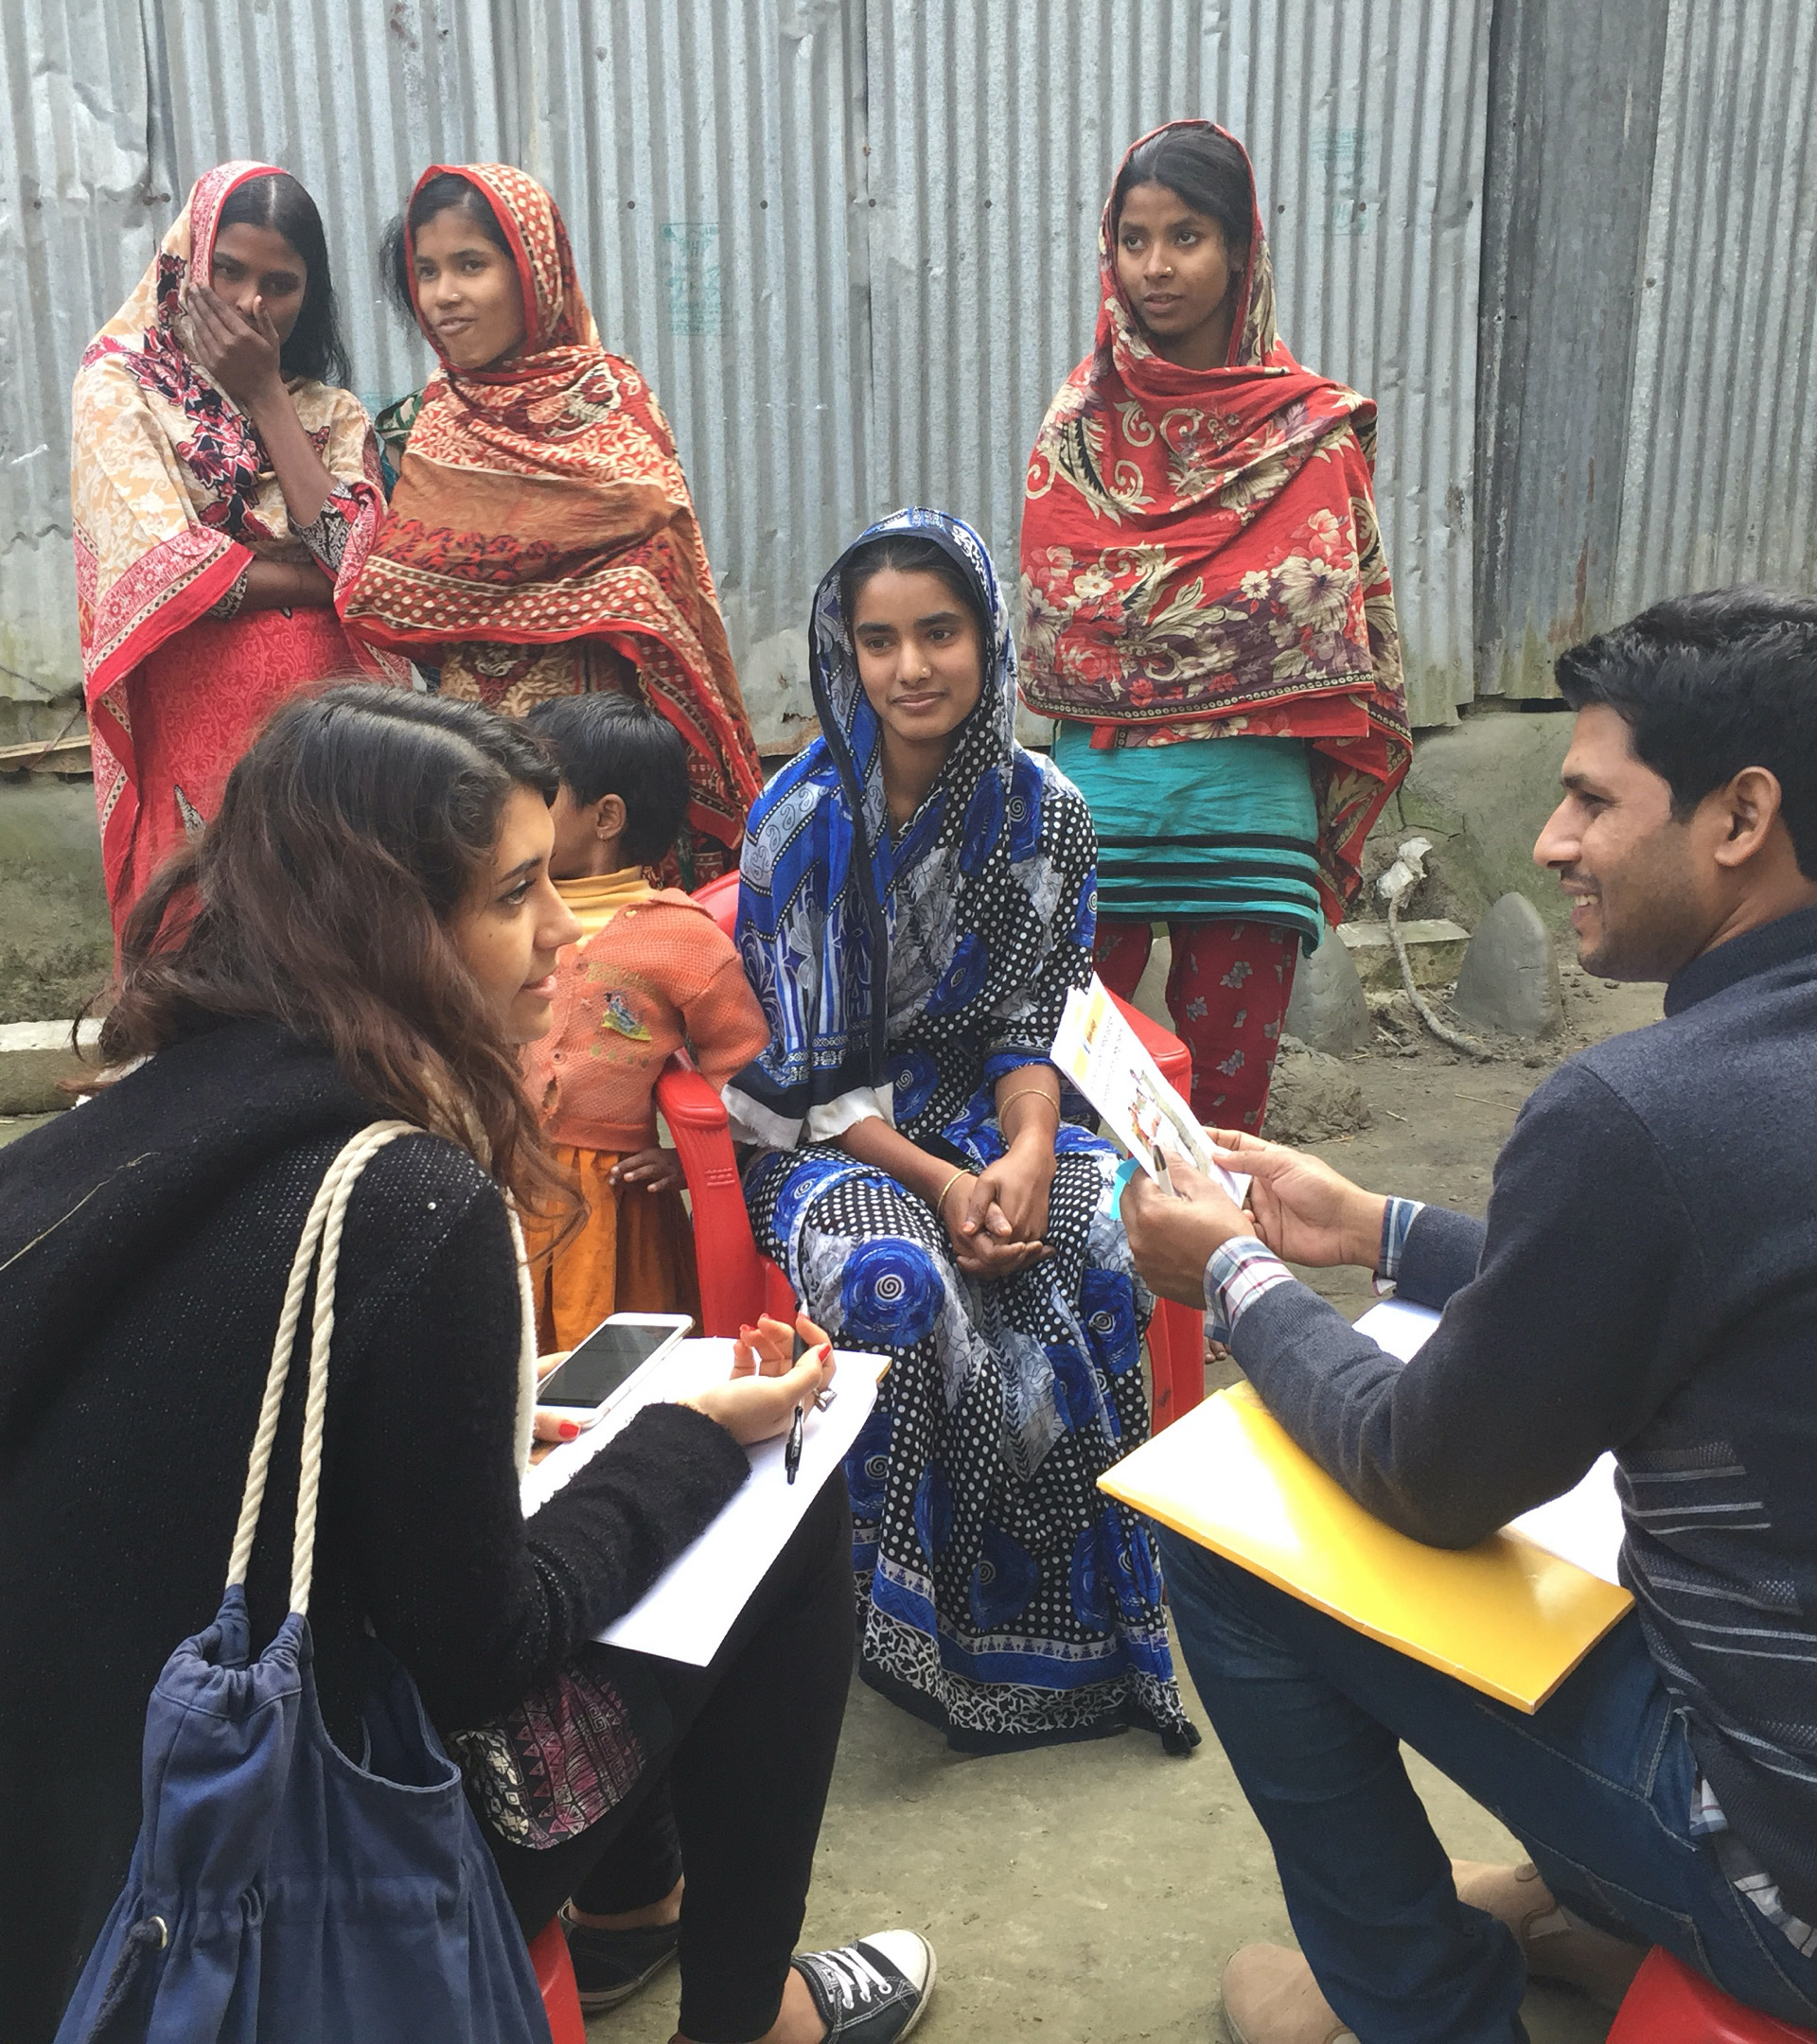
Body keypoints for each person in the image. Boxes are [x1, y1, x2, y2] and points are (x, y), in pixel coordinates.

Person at [0, 685, 934, 2044]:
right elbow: (488, 1654)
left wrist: (504, 1426)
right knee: (777, 1504)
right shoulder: (407, 1199)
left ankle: (631, 1919)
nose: (565, 930)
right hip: (254, 1885)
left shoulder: (99, 1137)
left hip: (58, 1851)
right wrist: (689, 1439)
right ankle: (749, 2019)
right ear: (384, 924)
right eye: (514, 894)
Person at [1120, 590, 1817, 2042]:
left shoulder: (1643, 1115)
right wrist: (1385, 1234)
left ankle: (1425, 2006)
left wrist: (1238, 1278)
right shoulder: (1725, 1107)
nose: (1553, 842)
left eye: (1591, 799)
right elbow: (1691, 1282)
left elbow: (1426, 1474)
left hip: (1783, 1874)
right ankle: (1581, 1908)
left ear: (1742, 816)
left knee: (1226, 1533)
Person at [726, 507, 1197, 1755]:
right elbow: (810, 1079)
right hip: (829, 1140)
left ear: (988, 638)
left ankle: (1090, 1611)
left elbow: (1039, 1014)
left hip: (994, 1117)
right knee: (895, 1283)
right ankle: (896, 1615)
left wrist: (1030, 1157)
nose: (911, 668)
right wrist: (946, 1188)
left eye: (939, 633)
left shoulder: (1046, 813)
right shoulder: (798, 825)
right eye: (879, 642)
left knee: (1109, 1238)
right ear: (847, 653)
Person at [1019, 121, 1410, 1132]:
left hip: (1247, 815)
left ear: (1240, 249)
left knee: (1227, 1120)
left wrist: (1161, 634)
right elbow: (1060, 613)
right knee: (1064, 1094)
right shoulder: (1077, 428)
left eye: (1186, 236)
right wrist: (1223, 626)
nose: (1155, 267)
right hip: (1103, 811)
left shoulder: (1310, 434)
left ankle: (1221, 1242)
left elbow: (1344, 617)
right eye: (1134, 240)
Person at [340, 163, 762, 886]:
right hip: (472, 749)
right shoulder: (424, 424)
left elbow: (660, 572)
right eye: (427, 271)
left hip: (596, 768)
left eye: (470, 265)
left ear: (534, 273)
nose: (443, 295)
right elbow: (389, 593)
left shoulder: (610, 402)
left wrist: (574, 594)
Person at [71, 161, 410, 929]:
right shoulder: (119, 390)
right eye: (227, 271)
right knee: (213, 938)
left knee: (339, 947)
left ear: (309, 295)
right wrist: (319, 580)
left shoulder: (330, 411)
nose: (249, 303)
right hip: (201, 734)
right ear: (189, 261)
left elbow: (365, 568)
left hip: (332, 741)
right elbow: (169, 574)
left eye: (279, 284)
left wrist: (263, 396)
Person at [518, 692, 770, 1348]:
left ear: (606, 817)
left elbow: (745, 1061)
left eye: (541, 792)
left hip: (611, 1205)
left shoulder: (683, 938)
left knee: (610, 1363)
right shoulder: (499, 912)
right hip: (499, 1175)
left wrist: (693, 1160)